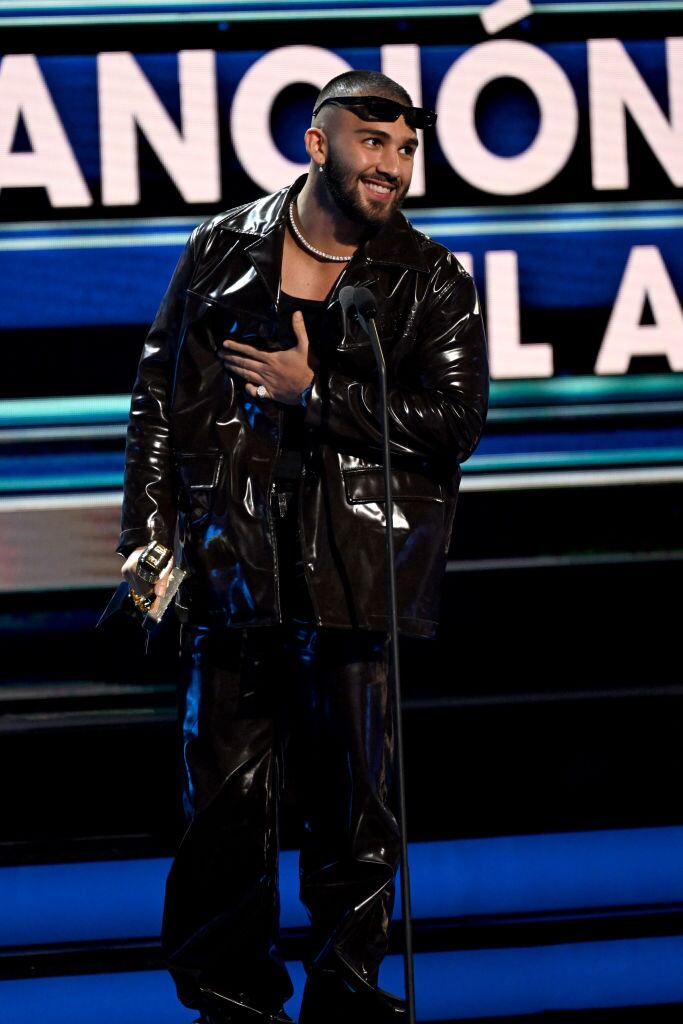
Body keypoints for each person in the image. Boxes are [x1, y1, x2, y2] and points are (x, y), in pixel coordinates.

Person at [118, 70, 488, 1024]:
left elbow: (452, 422)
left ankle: (347, 992)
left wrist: (309, 392)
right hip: (232, 567)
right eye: (375, 144)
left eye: (407, 149)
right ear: (319, 145)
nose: (394, 166)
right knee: (225, 809)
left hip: (360, 573)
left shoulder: (431, 278)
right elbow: (161, 401)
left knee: (357, 808)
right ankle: (230, 999)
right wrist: (149, 536)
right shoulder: (221, 245)